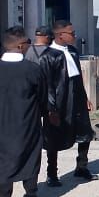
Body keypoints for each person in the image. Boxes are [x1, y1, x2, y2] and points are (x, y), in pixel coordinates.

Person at [0, 27, 46, 197]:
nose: (29, 46)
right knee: (31, 157)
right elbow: (42, 97)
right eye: (27, 43)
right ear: (19, 46)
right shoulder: (32, 70)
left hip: (2, 124)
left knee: (2, 159)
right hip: (27, 122)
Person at [48, 20, 97, 185]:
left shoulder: (74, 52)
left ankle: (81, 167)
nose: (75, 36)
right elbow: (47, 85)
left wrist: (85, 97)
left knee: (85, 133)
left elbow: (78, 78)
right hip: (60, 102)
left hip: (77, 99)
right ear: (61, 35)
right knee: (54, 137)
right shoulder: (48, 56)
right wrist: (51, 107)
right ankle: (52, 174)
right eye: (72, 33)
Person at [23, 26, 72, 186]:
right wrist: (57, 107)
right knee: (52, 139)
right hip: (50, 102)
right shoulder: (56, 54)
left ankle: (28, 175)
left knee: (30, 140)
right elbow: (61, 83)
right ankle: (52, 174)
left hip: (29, 102)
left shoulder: (25, 52)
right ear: (48, 37)